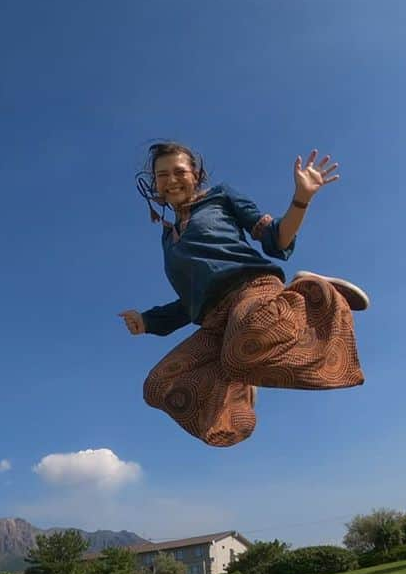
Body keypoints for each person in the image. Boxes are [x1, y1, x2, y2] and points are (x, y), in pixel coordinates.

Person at [119, 142, 368, 447]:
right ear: (154, 183)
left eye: (179, 171)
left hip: (251, 292)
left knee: (240, 349)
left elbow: (276, 238)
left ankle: (309, 294)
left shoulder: (219, 197)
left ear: (195, 175)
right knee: (158, 385)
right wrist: (146, 321)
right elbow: (190, 302)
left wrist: (302, 198)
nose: (171, 180)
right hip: (215, 324)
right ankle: (238, 394)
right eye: (162, 175)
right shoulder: (168, 240)